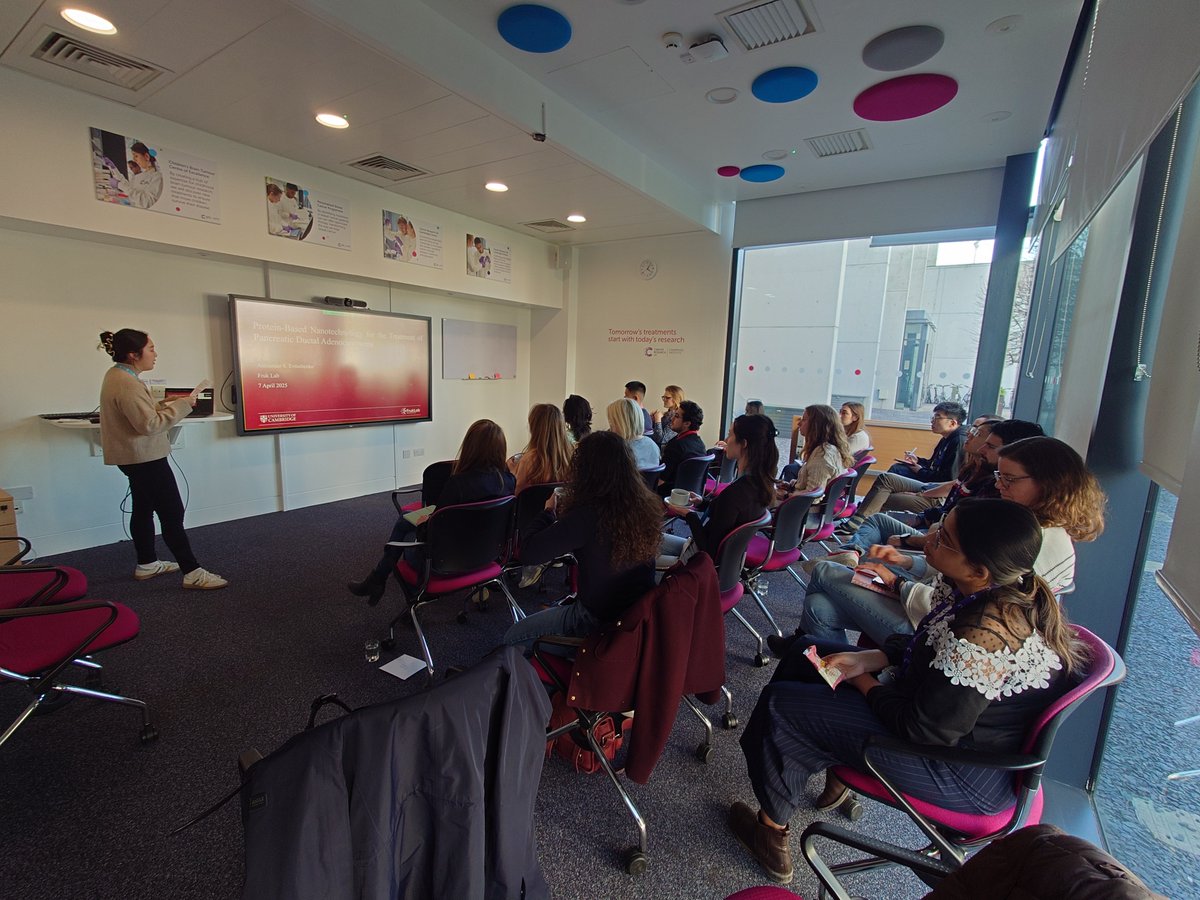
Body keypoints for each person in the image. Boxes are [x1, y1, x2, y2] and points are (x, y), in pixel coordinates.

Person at [730, 499, 1085, 884]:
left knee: (785, 707)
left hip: (958, 770)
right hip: (943, 723)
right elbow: (929, 644)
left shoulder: (985, 633)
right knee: (806, 652)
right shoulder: (986, 589)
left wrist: (860, 679)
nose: (930, 539)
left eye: (944, 538)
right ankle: (825, 771)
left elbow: (920, 729)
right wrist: (872, 657)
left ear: (979, 569)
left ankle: (770, 834)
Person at [787, 431, 1103, 650]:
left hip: (941, 631)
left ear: (1048, 484)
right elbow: (960, 573)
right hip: (935, 610)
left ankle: (841, 671)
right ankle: (837, 677)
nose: (999, 486)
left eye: (1008, 479)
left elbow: (960, 606)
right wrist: (907, 561)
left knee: (825, 573)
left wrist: (896, 584)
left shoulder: (1031, 540)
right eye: (998, 476)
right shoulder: (1034, 528)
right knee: (819, 607)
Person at [502, 431, 660, 647]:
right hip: (638, 615)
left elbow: (529, 553)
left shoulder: (588, 515)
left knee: (512, 638)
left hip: (595, 621)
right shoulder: (643, 505)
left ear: (585, 471)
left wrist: (548, 512)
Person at [96, 330, 226, 589]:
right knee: (171, 512)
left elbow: (141, 413)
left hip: (136, 458)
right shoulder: (127, 383)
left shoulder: (120, 375)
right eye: (151, 348)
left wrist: (169, 402)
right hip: (144, 459)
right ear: (134, 354)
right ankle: (192, 572)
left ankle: (146, 563)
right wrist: (184, 405)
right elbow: (150, 424)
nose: (156, 354)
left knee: (143, 508)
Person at [348, 419, 514, 604]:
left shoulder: (457, 485)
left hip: (442, 563)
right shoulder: (508, 482)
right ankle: (377, 579)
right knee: (405, 520)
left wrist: (423, 523)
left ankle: (391, 586)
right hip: (487, 557)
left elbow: (431, 532)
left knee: (402, 536)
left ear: (469, 447)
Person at [840, 411, 1027, 532]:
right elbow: (945, 475)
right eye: (973, 429)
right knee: (889, 476)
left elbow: (948, 482)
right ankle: (858, 526)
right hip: (935, 495)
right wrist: (919, 464)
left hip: (937, 502)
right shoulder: (970, 460)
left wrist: (921, 484)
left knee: (881, 501)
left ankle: (857, 529)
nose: (970, 433)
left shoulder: (963, 447)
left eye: (978, 432)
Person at [662, 413, 777, 560]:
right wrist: (702, 502)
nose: (727, 440)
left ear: (744, 443)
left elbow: (708, 548)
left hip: (696, 563)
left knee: (640, 552)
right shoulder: (759, 484)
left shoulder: (736, 493)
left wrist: (688, 514)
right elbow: (727, 515)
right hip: (722, 563)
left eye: (730, 435)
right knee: (650, 541)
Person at [777, 405, 853, 494]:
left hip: (804, 507)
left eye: (804, 419)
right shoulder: (826, 448)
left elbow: (812, 497)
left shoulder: (823, 456)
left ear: (817, 425)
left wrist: (786, 495)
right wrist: (792, 485)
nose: (799, 423)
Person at [509, 404, 573, 494]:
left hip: (530, 508)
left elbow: (516, 493)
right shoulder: (569, 457)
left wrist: (512, 472)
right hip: (559, 507)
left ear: (534, 428)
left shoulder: (529, 460)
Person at [657, 400, 706, 495]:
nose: (672, 419)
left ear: (687, 423)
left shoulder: (675, 445)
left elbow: (661, 480)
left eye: (676, 416)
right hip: (692, 495)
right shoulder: (701, 444)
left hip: (671, 495)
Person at [106, 141, 163, 209]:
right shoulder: (139, 176)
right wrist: (113, 168)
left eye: (136, 156)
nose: (134, 159)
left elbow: (147, 202)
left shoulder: (157, 177)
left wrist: (119, 185)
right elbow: (128, 187)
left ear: (147, 156)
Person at [607, 398, 660, 469]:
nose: (610, 426)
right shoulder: (652, 445)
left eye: (612, 421)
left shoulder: (620, 450)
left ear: (621, 422)